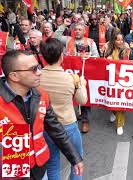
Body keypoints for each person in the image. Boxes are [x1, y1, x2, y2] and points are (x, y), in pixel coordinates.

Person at [0, 50, 84, 179]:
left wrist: (75, 158)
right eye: (34, 69)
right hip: (13, 172)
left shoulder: (41, 94)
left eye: (38, 66)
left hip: (40, 168)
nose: (40, 72)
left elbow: (55, 128)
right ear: (14, 76)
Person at [39, 38, 88, 180]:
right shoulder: (71, 78)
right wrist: (82, 84)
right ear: (62, 55)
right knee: (76, 160)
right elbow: (82, 100)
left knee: (52, 163)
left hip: (46, 127)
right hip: (68, 126)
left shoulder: (37, 77)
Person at [55, 19, 99, 133]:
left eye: (80, 30)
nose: (77, 31)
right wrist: (64, 24)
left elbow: (97, 57)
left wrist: (89, 57)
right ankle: (71, 118)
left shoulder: (90, 42)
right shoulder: (68, 39)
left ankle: (85, 120)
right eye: (76, 30)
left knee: (83, 96)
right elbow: (56, 36)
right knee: (69, 96)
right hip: (69, 74)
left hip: (84, 74)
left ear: (84, 31)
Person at [102, 32, 130, 135]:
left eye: (121, 40)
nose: (120, 42)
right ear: (114, 40)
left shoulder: (126, 51)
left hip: (122, 81)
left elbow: (126, 64)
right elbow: (102, 64)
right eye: (117, 40)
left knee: (120, 104)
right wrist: (106, 60)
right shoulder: (108, 50)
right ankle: (113, 112)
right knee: (111, 100)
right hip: (110, 81)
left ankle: (120, 124)